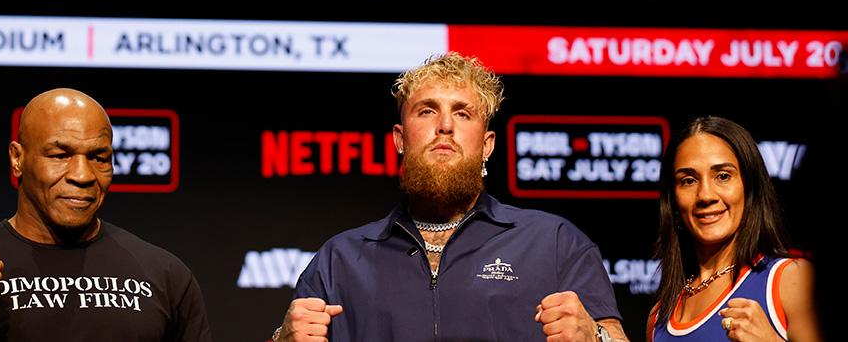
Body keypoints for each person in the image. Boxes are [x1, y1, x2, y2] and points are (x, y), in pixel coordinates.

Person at [276, 53, 627, 342]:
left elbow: (615, 337)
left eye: (462, 112)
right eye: (427, 110)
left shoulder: (554, 243)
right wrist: (282, 340)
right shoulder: (340, 258)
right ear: (400, 139)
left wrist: (596, 337)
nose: (445, 125)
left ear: (487, 144)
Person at [0, 88, 212, 342]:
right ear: (17, 159)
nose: (82, 175)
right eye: (60, 155)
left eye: (98, 157)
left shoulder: (166, 276)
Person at [648, 116, 821, 341]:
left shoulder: (791, 280)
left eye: (723, 176)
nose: (706, 195)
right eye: (689, 180)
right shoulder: (659, 318)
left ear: (749, 187)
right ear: (673, 199)